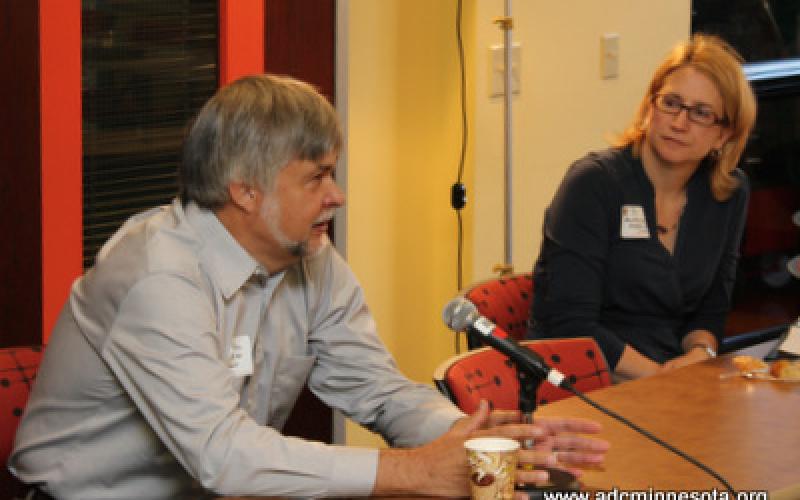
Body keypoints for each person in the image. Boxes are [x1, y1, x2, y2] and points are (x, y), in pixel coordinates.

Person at [9, 74, 608, 499]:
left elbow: (377, 390)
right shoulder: (156, 276)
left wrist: (468, 435)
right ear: (246, 190)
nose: (337, 195)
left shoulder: (311, 259)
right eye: (317, 177)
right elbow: (223, 455)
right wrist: (411, 472)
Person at [527, 34, 757, 381]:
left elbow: (712, 307)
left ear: (724, 135)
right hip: (578, 377)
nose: (679, 123)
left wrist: (700, 353)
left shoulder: (727, 193)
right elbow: (571, 324)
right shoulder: (593, 184)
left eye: (701, 113)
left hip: (669, 375)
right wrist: (660, 379)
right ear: (650, 106)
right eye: (671, 103)